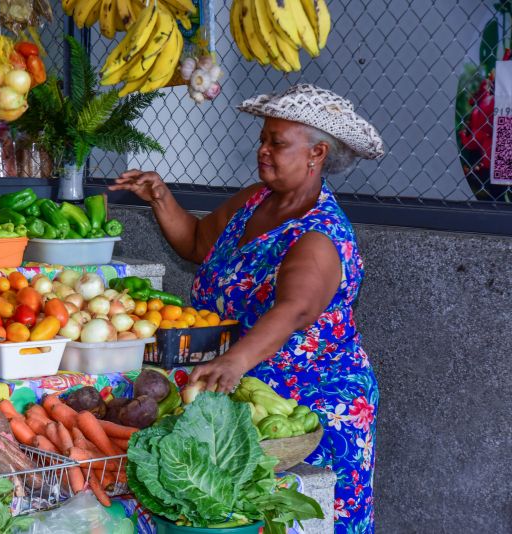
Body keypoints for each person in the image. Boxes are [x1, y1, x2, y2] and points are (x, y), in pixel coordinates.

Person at [110, 84, 384, 533]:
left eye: (277, 143)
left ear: (316, 154)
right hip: (240, 391)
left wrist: (234, 360)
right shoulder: (256, 199)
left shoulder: (319, 236)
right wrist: (161, 197)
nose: (263, 150)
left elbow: (295, 310)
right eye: (263, 138)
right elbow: (198, 244)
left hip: (304, 409)